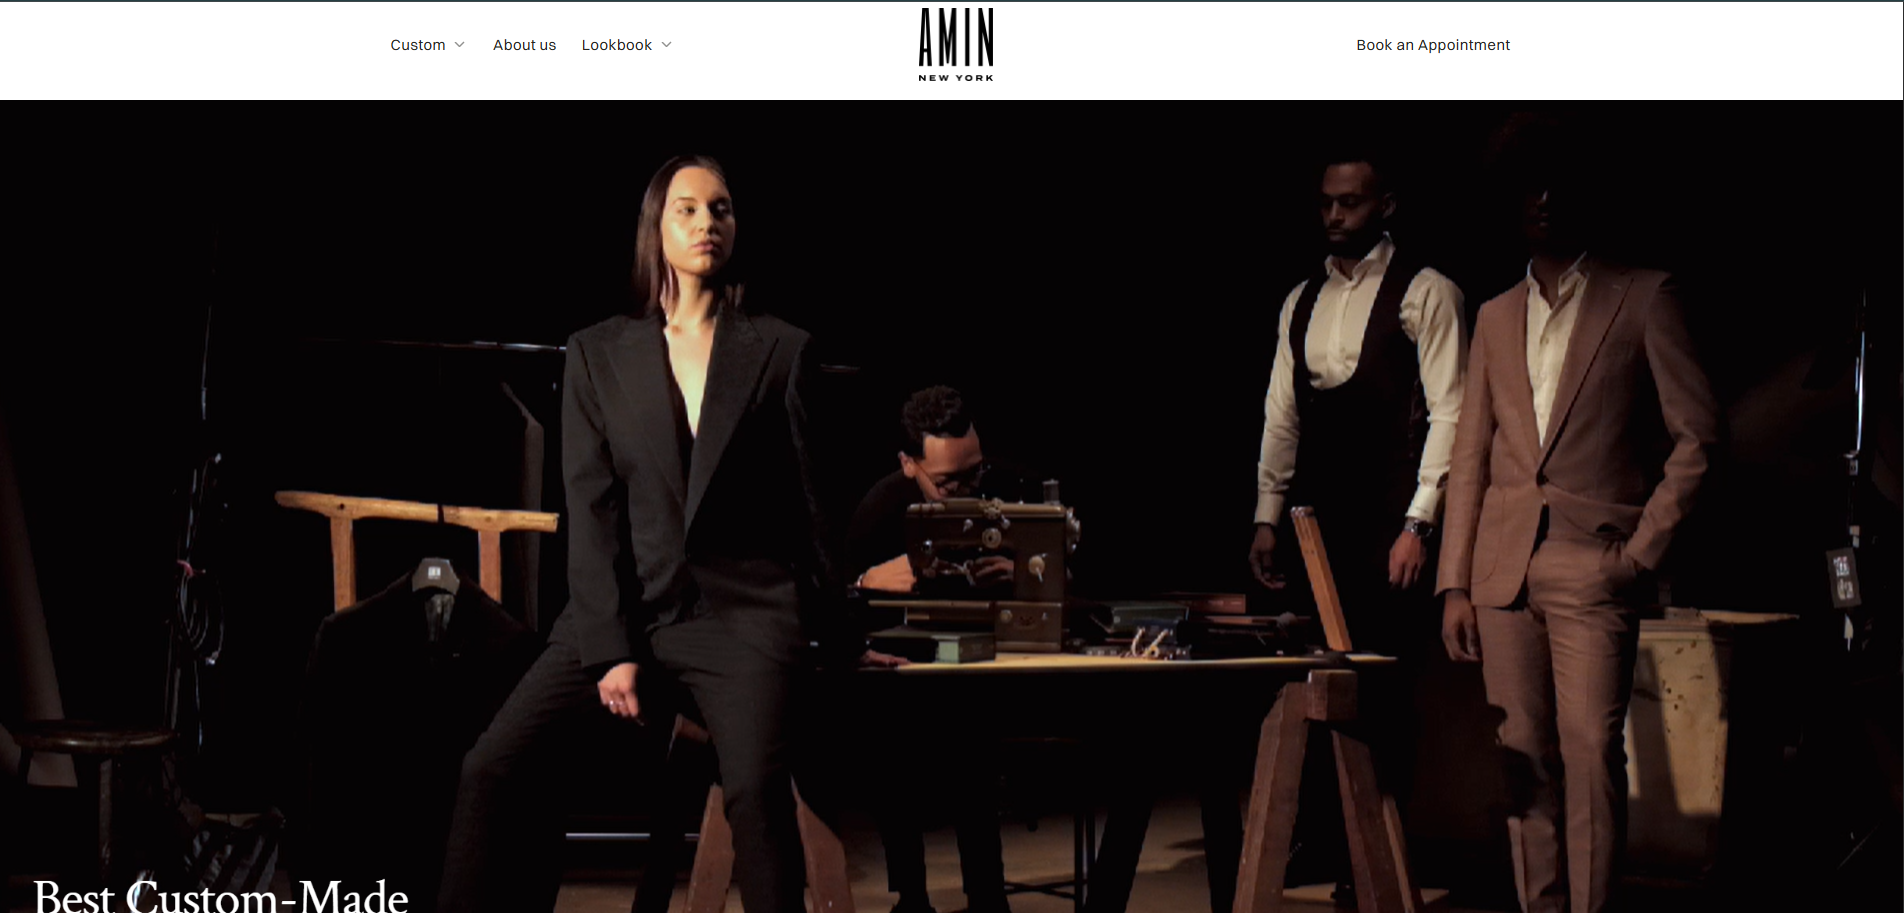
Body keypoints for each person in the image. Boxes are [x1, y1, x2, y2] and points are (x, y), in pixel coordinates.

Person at [437, 154, 897, 913]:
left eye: (721, 208)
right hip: (628, 609)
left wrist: (841, 634)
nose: (706, 222)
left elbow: (810, 510)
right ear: (656, 226)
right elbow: (590, 509)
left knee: (756, 793)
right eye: (687, 208)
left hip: (741, 618)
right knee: (490, 766)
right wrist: (609, 648)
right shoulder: (597, 352)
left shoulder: (780, 349)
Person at [1437, 121, 1718, 913]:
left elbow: (1700, 436)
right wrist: (1454, 582)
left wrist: (1638, 553)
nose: (1545, 200)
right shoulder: (1495, 315)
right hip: (1501, 572)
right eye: (1529, 187)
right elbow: (1471, 455)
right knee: (1521, 759)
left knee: (1591, 754)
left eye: (1558, 184)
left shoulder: (1644, 294)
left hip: (1594, 563)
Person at [1246, 148, 1467, 902]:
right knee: (1312, 680)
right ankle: (1322, 841)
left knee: (1384, 691)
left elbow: (1452, 413)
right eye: (1327, 203)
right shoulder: (1301, 299)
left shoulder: (1426, 292)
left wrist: (1420, 523)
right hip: (1321, 522)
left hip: (1390, 518)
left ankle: (1377, 859)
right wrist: (1266, 514)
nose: (1336, 215)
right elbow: (1281, 413)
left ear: (1386, 206)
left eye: (1352, 202)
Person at [846, 385, 1033, 913]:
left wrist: (1025, 574)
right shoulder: (881, 508)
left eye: (975, 473)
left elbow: (1074, 573)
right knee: (896, 743)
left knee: (972, 741)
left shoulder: (1008, 489)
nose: (968, 490)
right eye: (949, 483)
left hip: (994, 672)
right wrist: (866, 581)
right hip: (907, 679)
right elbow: (829, 601)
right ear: (909, 464)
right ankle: (911, 896)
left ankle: (987, 895)